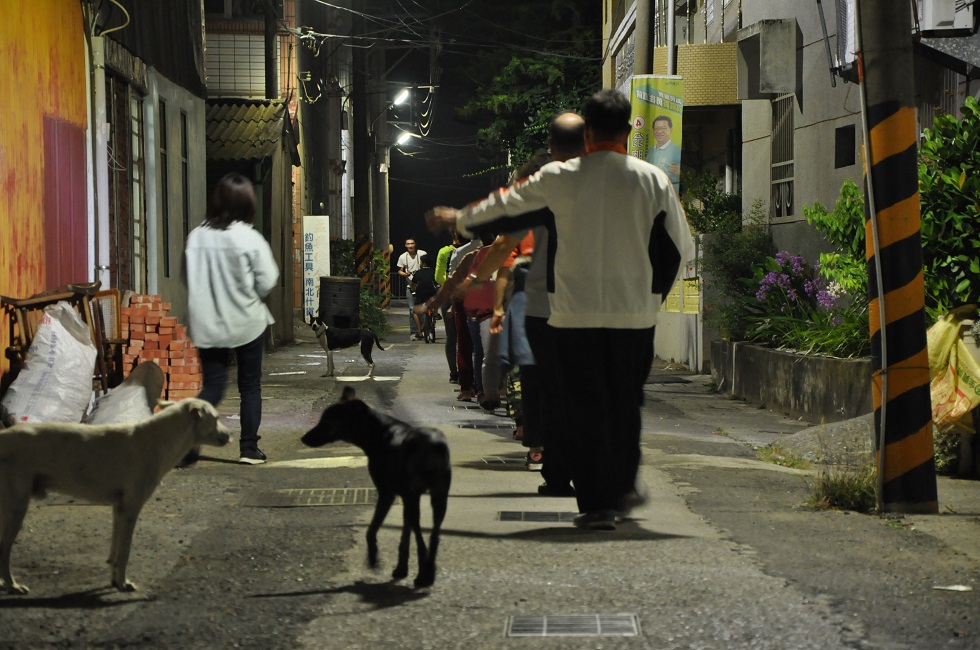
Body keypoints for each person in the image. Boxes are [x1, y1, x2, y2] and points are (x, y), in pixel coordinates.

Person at [426, 90, 695, 530]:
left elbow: (503, 207)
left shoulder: (560, 178)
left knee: (584, 405)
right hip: (634, 318)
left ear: (587, 133)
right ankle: (621, 485)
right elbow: (678, 249)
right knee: (625, 404)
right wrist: (651, 297)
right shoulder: (653, 180)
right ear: (627, 132)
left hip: (573, 316)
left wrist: (460, 217)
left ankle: (595, 504)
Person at [461, 111, 586, 493]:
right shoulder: (597, 186)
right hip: (589, 304)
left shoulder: (537, 194)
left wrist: (475, 285)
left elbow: (504, 254)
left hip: (539, 302)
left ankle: (539, 449)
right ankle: (579, 464)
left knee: (535, 378)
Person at [183, 172, 280, 465]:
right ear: (247, 203)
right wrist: (248, 293)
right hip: (246, 321)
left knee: (213, 385)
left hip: (207, 324)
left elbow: (187, 277)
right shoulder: (249, 237)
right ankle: (249, 449)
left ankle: (186, 445)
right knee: (249, 386)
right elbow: (268, 279)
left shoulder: (196, 236)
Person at [434, 231, 461, 382]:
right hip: (469, 294)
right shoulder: (474, 249)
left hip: (448, 295)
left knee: (451, 337)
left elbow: (438, 277)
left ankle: (454, 373)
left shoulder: (444, 252)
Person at [397, 238, 427, 340]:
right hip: (410, 287)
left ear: (415, 244)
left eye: (412, 243)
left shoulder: (422, 254)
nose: (410, 246)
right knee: (412, 311)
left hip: (422, 287)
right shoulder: (402, 257)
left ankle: (424, 330)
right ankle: (414, 332)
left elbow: (429, 266)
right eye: (408, 244)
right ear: (405, 245)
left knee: (423, 311)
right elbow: (399, 271)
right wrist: (405, 274)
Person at [646, 115, 681, 188]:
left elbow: (688, 178)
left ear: (670, 130)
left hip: (669, 193)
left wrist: (678, 173)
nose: (659, 131)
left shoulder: (677, 151)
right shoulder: (650, 151)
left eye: (664, 128)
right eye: (656, 128)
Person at [410, 254, 439, 338]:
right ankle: (436, 314)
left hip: (421, 294)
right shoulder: (434, 272)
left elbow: (413, 284)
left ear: (423, 263)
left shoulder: (418, 273)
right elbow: (437, 283)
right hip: (432, 293)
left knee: (415, 312)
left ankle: (419, 332)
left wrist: (413, 290)